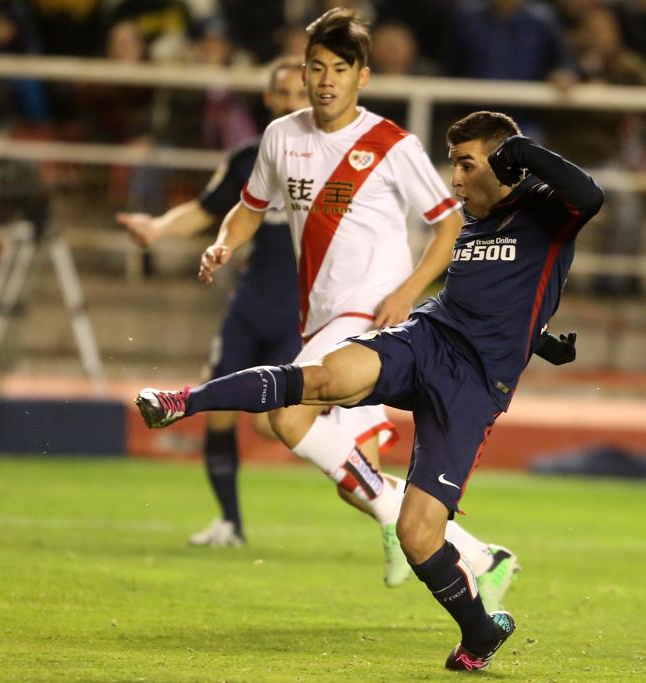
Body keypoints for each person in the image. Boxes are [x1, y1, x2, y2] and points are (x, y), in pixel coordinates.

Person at [135, 109, 604, 670]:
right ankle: (182, 401)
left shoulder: (545, 210)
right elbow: (494, 295)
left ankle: (478, 632)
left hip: (473, 386)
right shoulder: (473, 215)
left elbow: (591, 196)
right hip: (428, 337)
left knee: (416, 533)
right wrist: (540, 338)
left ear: (503, 162)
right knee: (325, 378)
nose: (455, 179)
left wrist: (522, 154)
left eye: (465, 165)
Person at [136, 6, 519, 609]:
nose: (325, 79)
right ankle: (478, 554)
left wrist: (407, 292)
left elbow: (448, 227)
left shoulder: (391, 144)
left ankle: (183, 400)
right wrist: (221, 244)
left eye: (339, 68)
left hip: (373, 312)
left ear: (362, 76)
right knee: (351, 481)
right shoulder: (281, 137)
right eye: (317, 66)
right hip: (320, 313)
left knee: (287, 417)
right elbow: (250, 206)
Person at [118, 59, 307, 547]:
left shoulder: (332, 159)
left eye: (298, 94)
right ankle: (231, 524)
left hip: (300, 312)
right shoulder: (250, 159)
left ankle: (365, 470)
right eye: (281, 94)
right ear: (268, 100)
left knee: (273, 428)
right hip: (249, 306)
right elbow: (206, 211)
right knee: (218, 412)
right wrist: (158, 227)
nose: (289, 103)